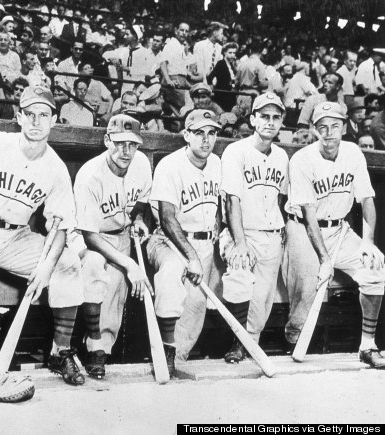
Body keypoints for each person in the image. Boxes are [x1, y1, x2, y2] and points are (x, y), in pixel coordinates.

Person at [0, 85, 86, 386]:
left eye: (44, 115)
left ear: (54, 120)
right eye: (30, 114)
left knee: (68, 264)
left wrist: (46, 269)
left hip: (15, 237)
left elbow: (60, 226)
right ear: (19, 117)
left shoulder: (56, 168)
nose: (37, 121)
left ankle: (60, 350)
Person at [283, 102, 385, 369]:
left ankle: (367, 345)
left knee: (375, 269)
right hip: (303, 229)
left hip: (339, 230)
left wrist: (368, 241)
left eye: (335, 126)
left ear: (344, 127)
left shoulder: (353, 153)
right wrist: (325, 259)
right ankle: (292, 340)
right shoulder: (302, 159)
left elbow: (366, 200)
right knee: (304, 299)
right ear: (315, 129)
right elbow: (308, 214)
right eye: (323, 127)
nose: (329, 132)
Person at [74, 114, 152, 378]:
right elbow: (89, 235)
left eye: (132, 144)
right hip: (89, 235)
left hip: (121, 232)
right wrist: (129, 263)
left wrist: (139, 217)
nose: (126, 151)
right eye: (119, 143)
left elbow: (142, 199)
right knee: (95, 271)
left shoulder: (141, 163)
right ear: (107, 140)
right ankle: (84, 344)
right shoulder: (90, 175)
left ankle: (100, 352)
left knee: (117, 288)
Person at [146, 109, 221, 369]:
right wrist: (192, 257)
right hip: (169, 241)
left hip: (204, 243)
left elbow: (218, 208)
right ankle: (165, 352)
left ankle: (177, 361)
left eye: (212, 133)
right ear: (186, 135)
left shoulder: (217, 163)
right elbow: (167, 219)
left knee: (196, 307)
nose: (206, 140)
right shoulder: (170, 165)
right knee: (170, 276)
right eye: (199, 133)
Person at [219, 92, 289, 363]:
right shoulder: (236, 151)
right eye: (264, 116)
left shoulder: (282, 156)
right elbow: (231, 200)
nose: (270, 122)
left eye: (275, 117)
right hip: (242, 232)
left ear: (282, 121)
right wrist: (239, 242)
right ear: (253, 119)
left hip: (271, 234)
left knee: (261, 300)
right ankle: (237, 342)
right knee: (238, 278)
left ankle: (250, 344)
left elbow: (280, 199)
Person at [207, 42, 238, 111]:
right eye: (230, 53)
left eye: (234, 53)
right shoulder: (221, 63)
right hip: (221, 95)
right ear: (224, 53)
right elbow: (210, 77)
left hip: (230, 96)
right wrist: (212, 89)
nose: (232, 55)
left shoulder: (232, 66)